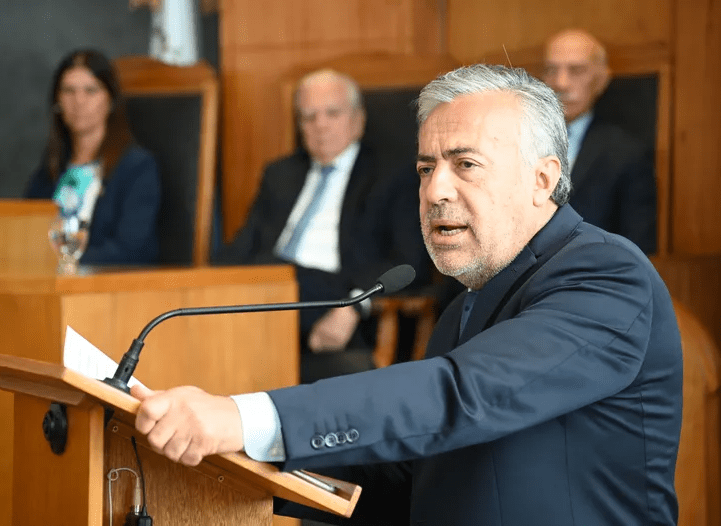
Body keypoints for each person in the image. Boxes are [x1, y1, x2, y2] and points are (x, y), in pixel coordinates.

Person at [130, 65, 682, 525]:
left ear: (542, 179)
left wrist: (245, 418)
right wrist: (239, 463)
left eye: (465, 164)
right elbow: (414, 476)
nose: (435, 190)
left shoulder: (607, 274)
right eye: (425, 168)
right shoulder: (466, 304)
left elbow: (461, 395)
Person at [213, 69, 429, 380]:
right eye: (309, 117)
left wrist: (355, 305)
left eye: (332, 113)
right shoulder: (280, 174)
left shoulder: (391, 175)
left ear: (358, 120)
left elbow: (409, 263)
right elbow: (239, 252)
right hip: (270, 292)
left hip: (337, 296)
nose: (321, 125)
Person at [25, 49, 161, 265]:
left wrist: (60, 262)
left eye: (91, 90)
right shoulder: (52, 166)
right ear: (57, 101)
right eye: (68, 91)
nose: (78, 101)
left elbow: (131, 250)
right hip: (47, 279)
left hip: (105, 281)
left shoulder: (137, 167)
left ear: (111, 100)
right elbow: (24, 233)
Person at [543, 28, 657, 254]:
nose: (561, 83)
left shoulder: (627, 154)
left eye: (576, 71)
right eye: (551, 70)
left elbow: (636, 250)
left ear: (601, 80)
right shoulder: (516, 140)